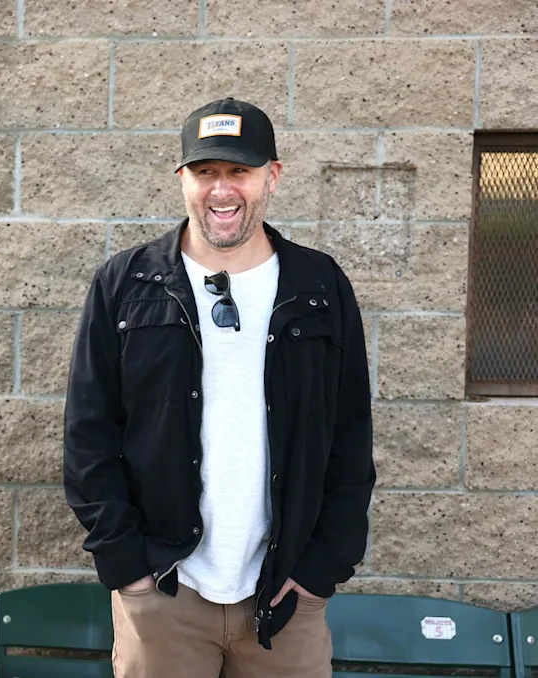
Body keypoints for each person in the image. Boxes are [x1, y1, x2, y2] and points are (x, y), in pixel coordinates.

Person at [63, 98, 375, 677]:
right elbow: (89, 437)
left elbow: (350, 438)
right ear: (183, 178)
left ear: (272, 176)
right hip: (165, 593)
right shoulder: (126, 285)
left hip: (286, 596)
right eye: (205, 171)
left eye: (240, 171)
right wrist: (128, 566)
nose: (222, 189)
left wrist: (322, 567)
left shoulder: (319, 286)